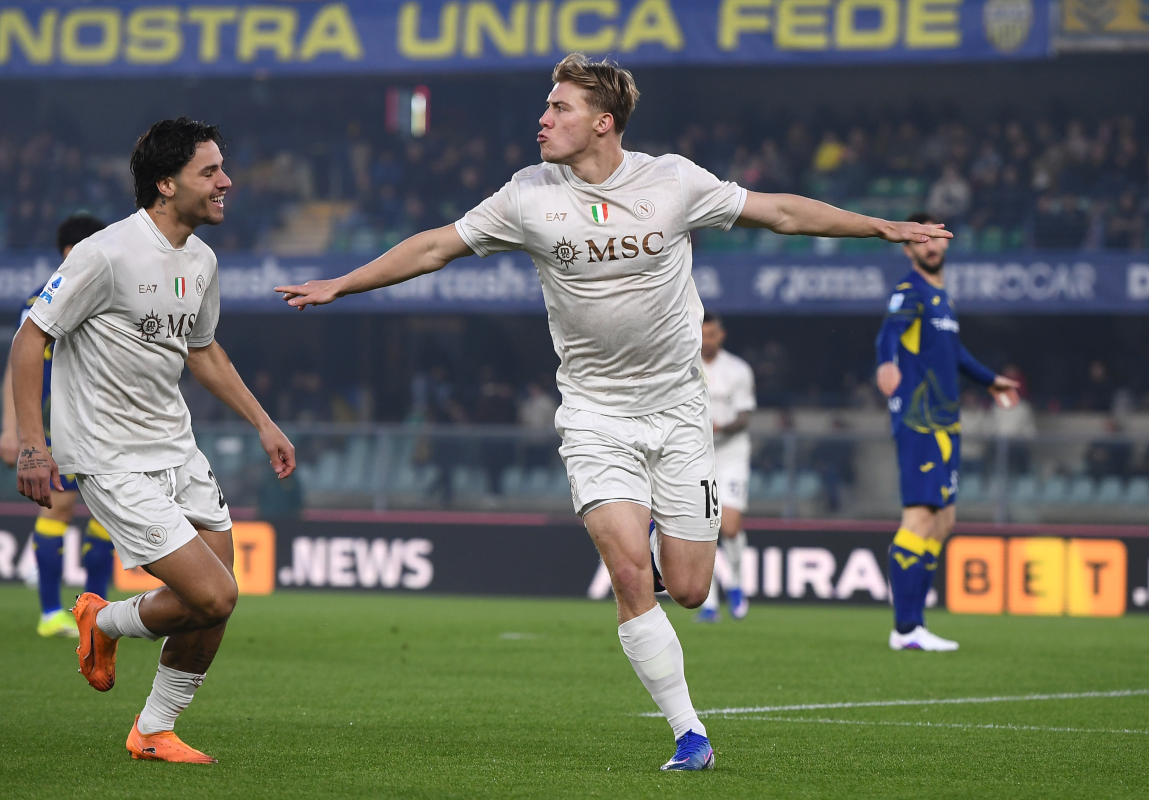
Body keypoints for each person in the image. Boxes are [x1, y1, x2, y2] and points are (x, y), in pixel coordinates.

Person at [276, 54, 950, 771]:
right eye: (546, 106)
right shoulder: (528, 194)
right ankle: (690, 733)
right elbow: (439, 245)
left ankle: (661, 543)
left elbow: (780, 211)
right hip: (595, 416)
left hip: (679, 411)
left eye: (559, 108)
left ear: (603, 123)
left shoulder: (672, 182)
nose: (543, 118)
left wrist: (882, 227)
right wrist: (343, 284)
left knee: (688, 589)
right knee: (630, 575)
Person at [10, 118, 295, 763]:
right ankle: (102, 620)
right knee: (216, 593)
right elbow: (32, 339)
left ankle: (153, 730)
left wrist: (262, 422)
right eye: (210, 172)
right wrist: (33, 444)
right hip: (109, 456)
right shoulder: (105, 253)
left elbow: (204, 352)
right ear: (165, 184)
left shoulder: (201, 259)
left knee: (214, 600)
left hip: (176, 447)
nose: (226, 182)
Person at [875, 211, 1018, 652]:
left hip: (946, 423)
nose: (930, 246)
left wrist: (990, 379)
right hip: (921, 422)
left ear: (947, 243)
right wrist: (885, 364)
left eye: (936, 238)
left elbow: (953, 351)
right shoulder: (911, 291)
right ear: (908, 248)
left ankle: (916, 624)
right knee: (919, 518)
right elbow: (889, 334)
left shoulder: (942, 299)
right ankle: (905, 628)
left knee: (944, 521)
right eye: (920, 240)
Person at [0, 213, 115, 638]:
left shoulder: (108, 299)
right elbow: (17, 367)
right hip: (55, 428)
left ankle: (96, 613)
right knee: (61, 507)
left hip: (106, 428)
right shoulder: (38, 305)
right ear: (71, 253)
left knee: (112, 514)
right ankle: (51, 612)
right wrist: (13, 431)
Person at [694, 313, 755, 623]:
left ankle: (737, 585)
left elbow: (745, 416)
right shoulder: (685, 366)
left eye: (713, 334)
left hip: (731, 454)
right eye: (703, 334)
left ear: (722, 335)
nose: (708, 340)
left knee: (729, 526)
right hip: (697, 457)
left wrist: (720, 428)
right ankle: (710, 603)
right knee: (705, 529)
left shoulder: (738, 370)